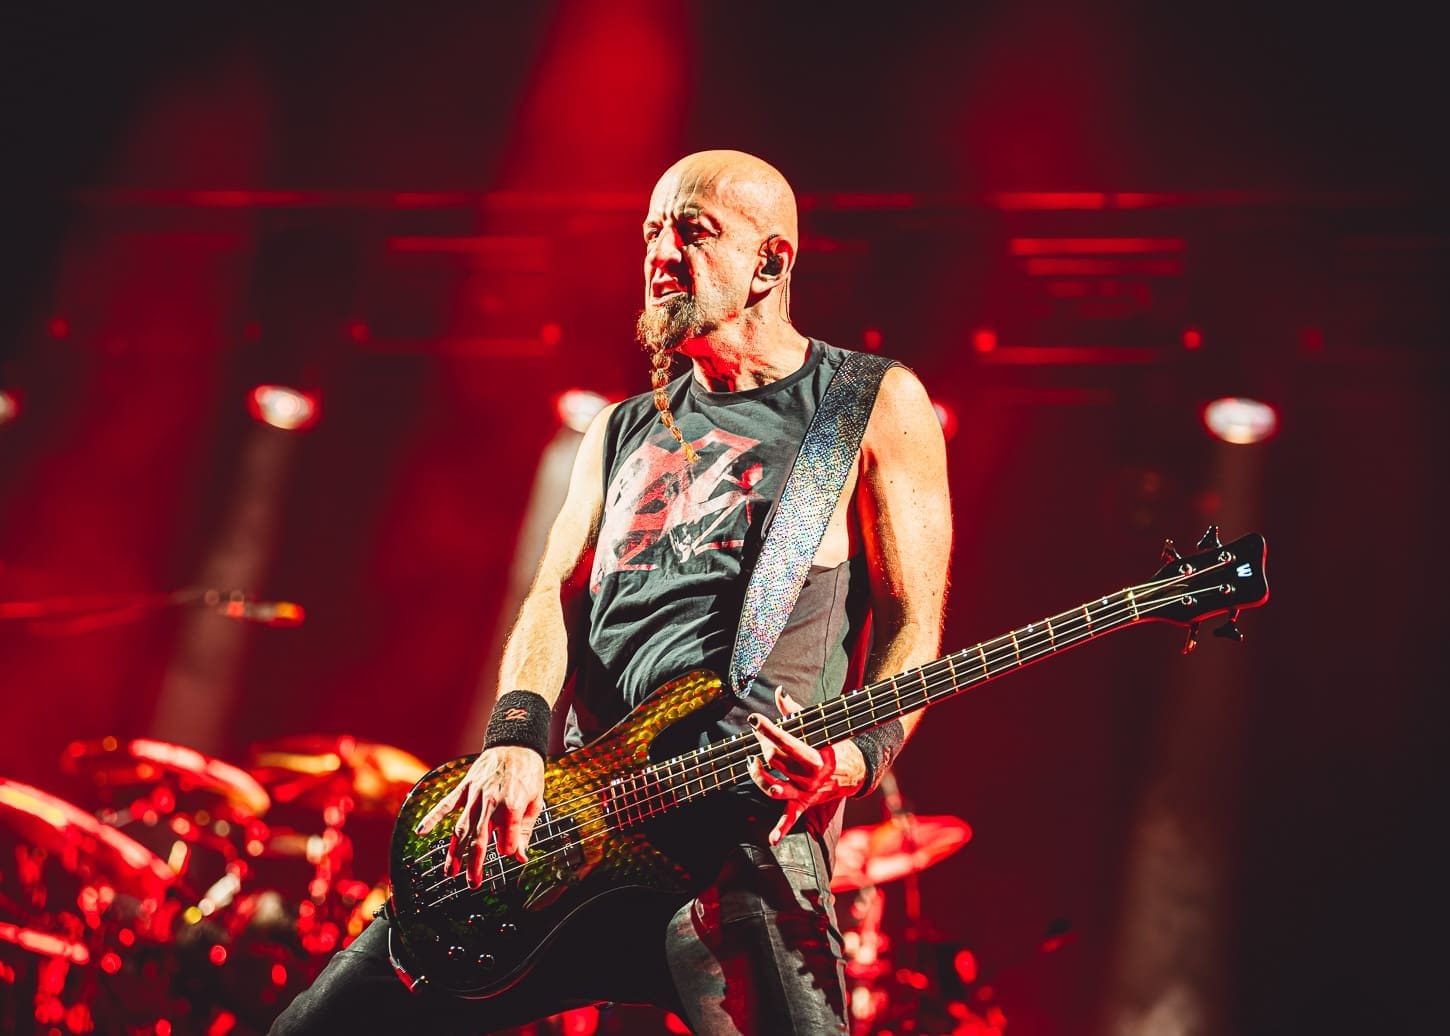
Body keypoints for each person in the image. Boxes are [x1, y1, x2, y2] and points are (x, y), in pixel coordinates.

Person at [271, 149, 951, 1035]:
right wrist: (514, 741)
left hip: (742, 838)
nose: (661, 253)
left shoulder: (867, 403)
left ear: (771, 261)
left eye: (693, 231)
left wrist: (860, 756)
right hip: (576, 830)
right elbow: (551, 595)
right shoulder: (620, 428)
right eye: (651, 232)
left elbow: (913, 626)